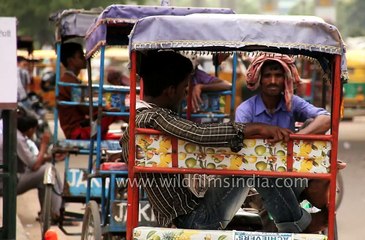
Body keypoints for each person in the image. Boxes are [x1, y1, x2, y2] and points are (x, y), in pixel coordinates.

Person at [120, 50, 322, 233]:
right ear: (171, 90)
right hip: (193, 220)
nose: (185, 94)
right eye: (184, 88)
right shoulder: (154, 118)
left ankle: (296, 219)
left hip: (191, 211)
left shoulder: (138, 119)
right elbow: (198, 133)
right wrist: (256, 128)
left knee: (252, 163)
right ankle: (298, 223)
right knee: (254, 165)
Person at [235, 54, 343, 228]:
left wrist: (296, 139)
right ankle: (305, 224)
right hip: (257, 177)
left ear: (284, 79)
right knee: (267, 179)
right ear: (260, 80)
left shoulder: (291, 103)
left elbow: (326, 118)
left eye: (278, 76)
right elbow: (240, 136)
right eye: (268, 76)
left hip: (292, 172)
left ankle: (300, 219)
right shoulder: (246, 109)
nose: (273, 81)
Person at [0, 109, 63, 222]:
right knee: (48, 170)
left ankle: (49, 212)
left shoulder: (15, 134)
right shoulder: (17, 138)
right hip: (6, 182)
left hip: (10, 177)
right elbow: (34, 165)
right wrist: (43, 145)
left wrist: (50, 158)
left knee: (46, 174)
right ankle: (56, 212)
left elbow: (32, 161)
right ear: (30, 129)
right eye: (34, 130)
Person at [57, 42, 123, 139]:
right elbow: (86, 109)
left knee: (114, 106)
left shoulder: (70, 80)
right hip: (78, 131)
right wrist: (105, 105)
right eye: (80, 56)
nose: (85, 58)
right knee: (116, 107)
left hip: (80, 127)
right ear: (71, 61)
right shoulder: (69, 82)